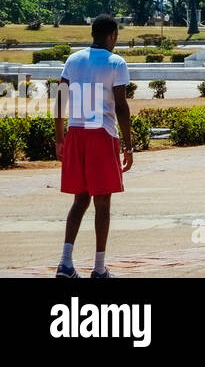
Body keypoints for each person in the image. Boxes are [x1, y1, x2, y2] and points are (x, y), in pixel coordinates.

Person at [53, 14, 133, 278]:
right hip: (102, 133)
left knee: (80, 200)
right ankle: (99, 269)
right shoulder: (115, 62)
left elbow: (60, 98)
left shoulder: (73, 60)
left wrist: (60, 137)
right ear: (111, 36)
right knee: (103, 203)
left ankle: (65, 263)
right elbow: (121, 105)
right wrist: (129, 145)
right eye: (116, 36)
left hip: (76, 133)